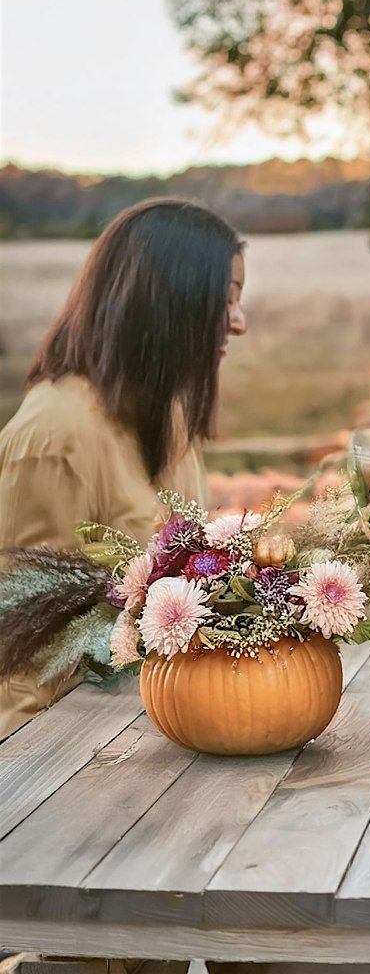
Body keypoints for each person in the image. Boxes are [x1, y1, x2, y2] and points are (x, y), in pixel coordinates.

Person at [0, 196, 247, 739]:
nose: (239, 323)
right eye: (225, 300)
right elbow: (25, 656)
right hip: (60, 751)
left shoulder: (173, 418)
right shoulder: (55, 435)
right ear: (168, 300)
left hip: (163, 717)